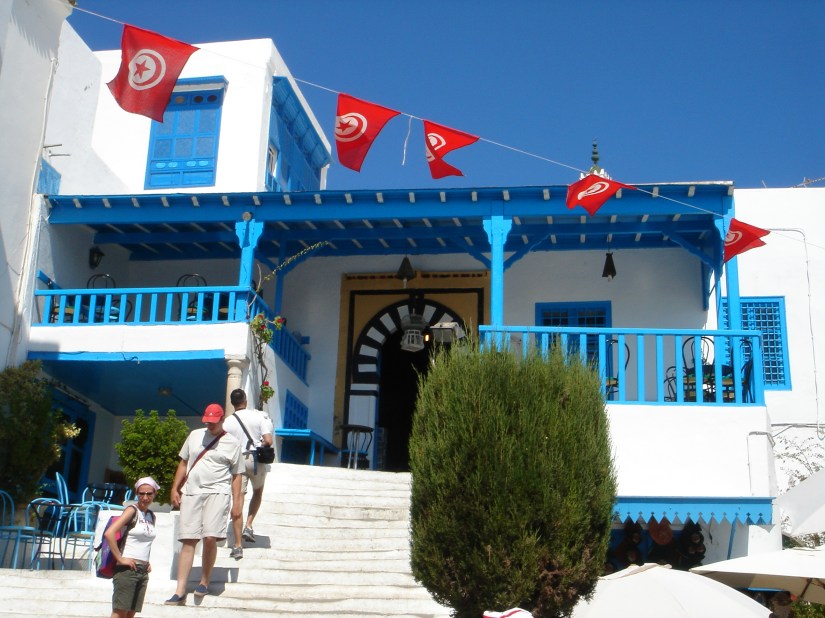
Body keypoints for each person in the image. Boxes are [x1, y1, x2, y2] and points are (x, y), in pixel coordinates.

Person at [165, 403, 243, 606]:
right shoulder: (194, 436)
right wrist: (175, 488)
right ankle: (180, 590)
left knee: (210, 537)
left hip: (218, 492)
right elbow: (183, 462)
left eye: (213, 422)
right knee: (188, 539)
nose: (210, 426)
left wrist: (237, 504)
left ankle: (204, 581)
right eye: (207, 422)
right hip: (192, 491)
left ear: (222, 420)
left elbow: (237, 475)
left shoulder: (232, 443)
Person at [223, 388, 274, 559]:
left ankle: (237, 545)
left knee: (238, 500)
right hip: (255, 460)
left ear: (232, 402)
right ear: (245, 399)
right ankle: (249, 526)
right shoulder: (258, 416)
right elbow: (268, 440)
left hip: (236, 461)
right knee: (257, 491)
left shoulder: (227, 422)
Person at [104, 476, 159, 618]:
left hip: (142, 570)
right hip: (127, 569)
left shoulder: (152, 516)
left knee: (131, 613)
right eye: (141, 493)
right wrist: (121, 559)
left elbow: (145, 541)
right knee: (120, 611)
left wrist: (147, 561)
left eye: (149, 493)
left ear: (155, 494)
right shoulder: (132, 510)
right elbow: (109, 533)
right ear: (137, 494)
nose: (145, 497)